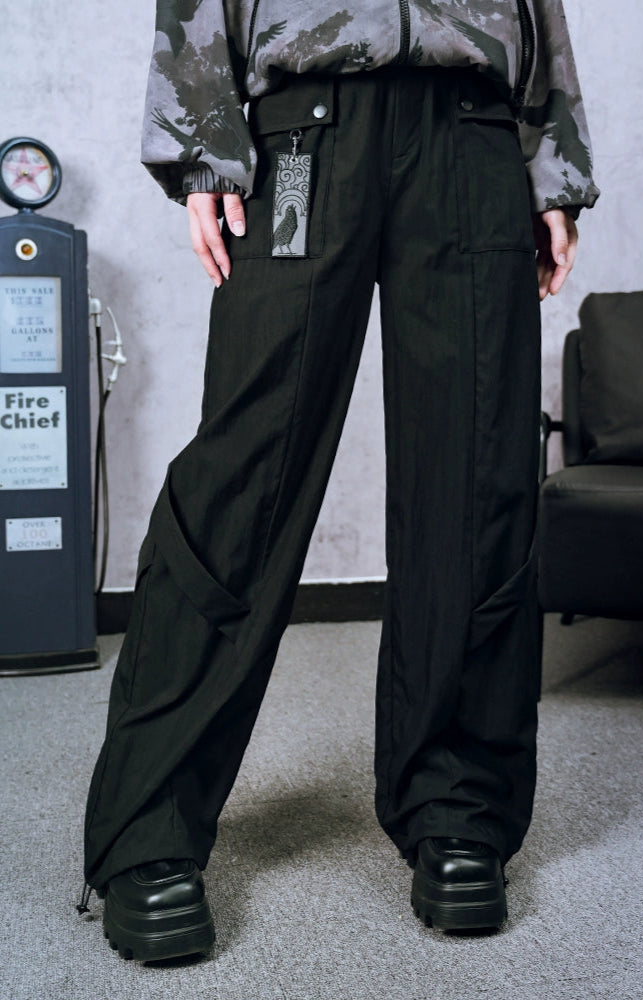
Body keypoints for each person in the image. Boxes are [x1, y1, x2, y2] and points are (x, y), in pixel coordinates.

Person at [80, 0, 599, 961]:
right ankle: (147, 827)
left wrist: (552, 163)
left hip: (474, 133)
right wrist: (202, 138)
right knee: (245, 473)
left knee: (478, 477)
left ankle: (458, 808)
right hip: (304, 137)